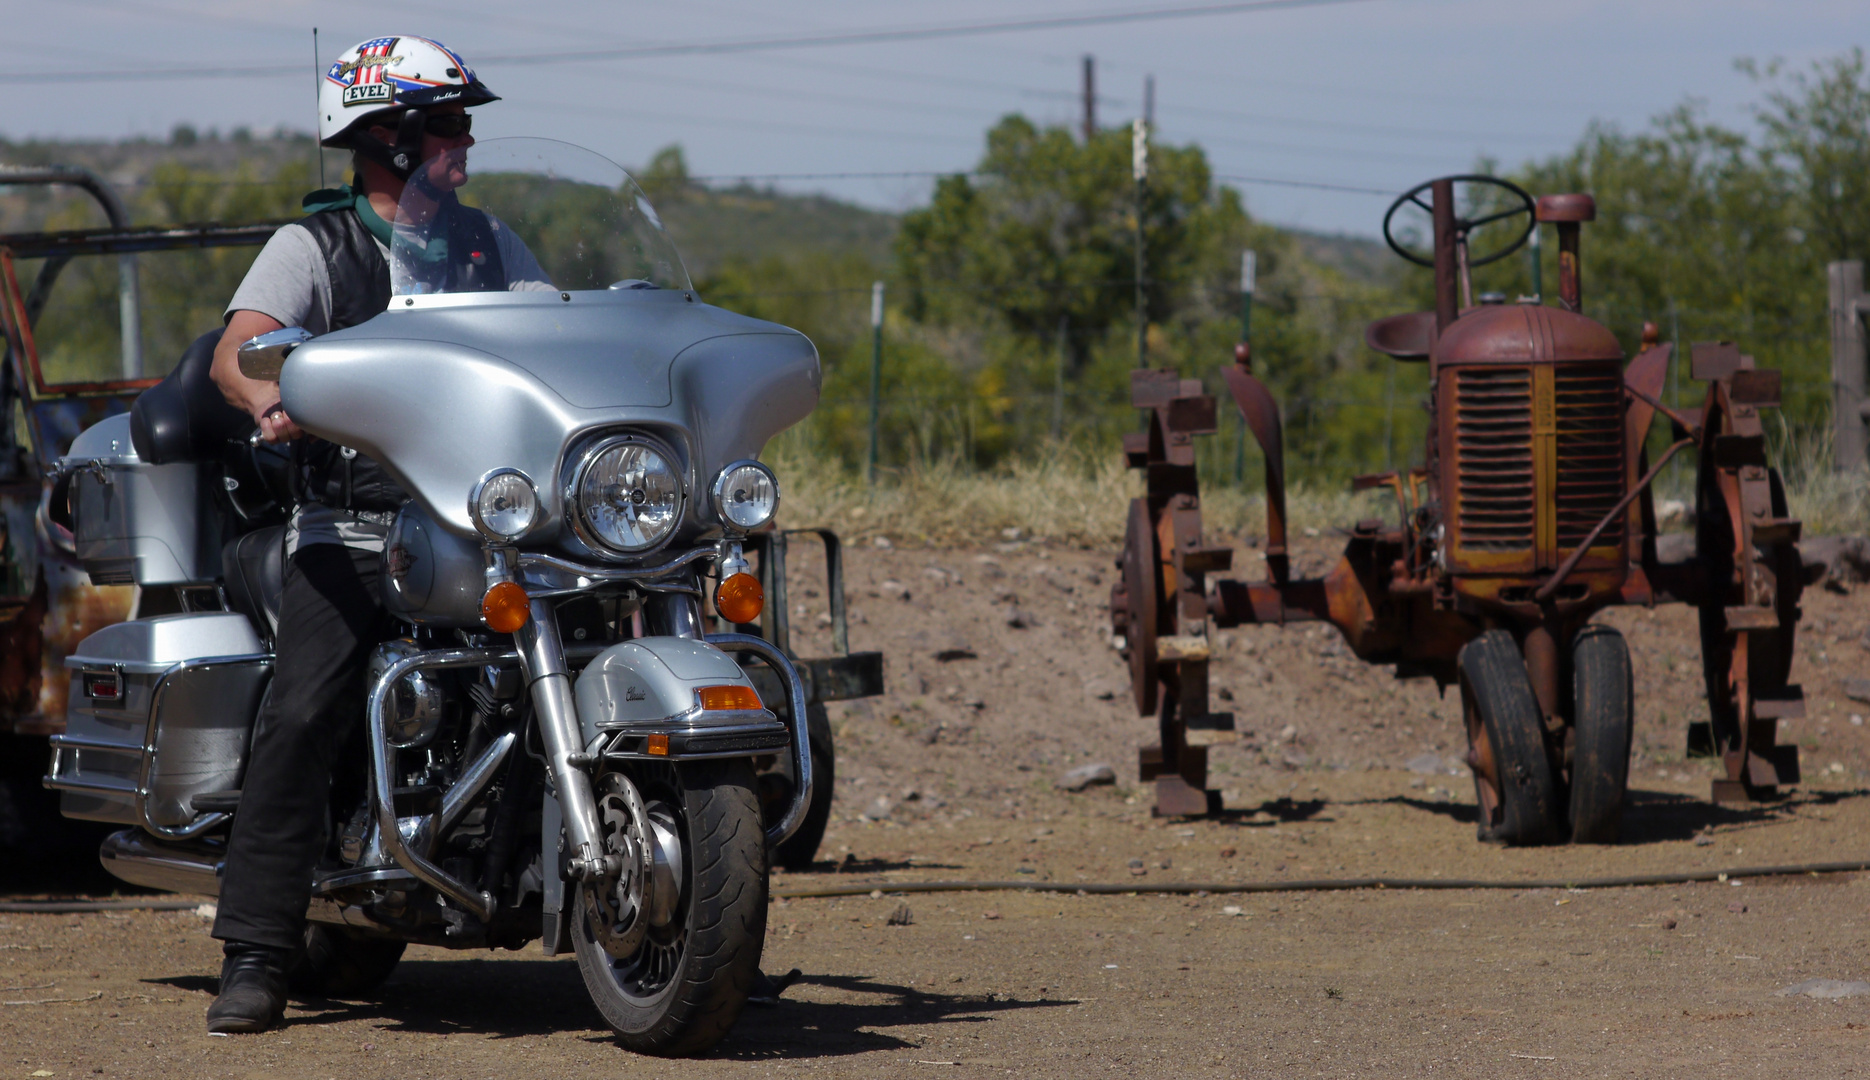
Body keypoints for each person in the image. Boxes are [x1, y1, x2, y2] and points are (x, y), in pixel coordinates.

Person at [205, 34, 547, 1034]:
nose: (464, 144)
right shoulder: (316, 247)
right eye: (446, 126)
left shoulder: (490, 245)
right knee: (306, 706)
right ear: (387, 138)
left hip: (480, 524)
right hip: (349, 527)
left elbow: (550, 334)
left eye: (462, 126)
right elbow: (241, 348)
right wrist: (270, 393)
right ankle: (258, 951)